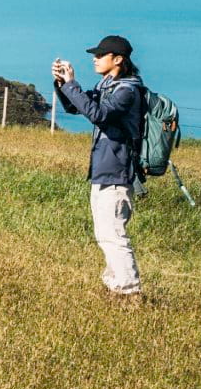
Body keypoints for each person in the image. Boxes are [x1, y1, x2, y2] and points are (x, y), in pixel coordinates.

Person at [52, 35, 145, 297]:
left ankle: (129, 292)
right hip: (104, 172)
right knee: (105, 234)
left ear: (118, 60)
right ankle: (115, 285)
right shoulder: (109, 86)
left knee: (113, 235)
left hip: (117, 173)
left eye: (100, 55)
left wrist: (72, 84)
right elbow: (76, 106)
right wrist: (62, 83)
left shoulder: (127, 91)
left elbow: (98, 115)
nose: (95, 59)